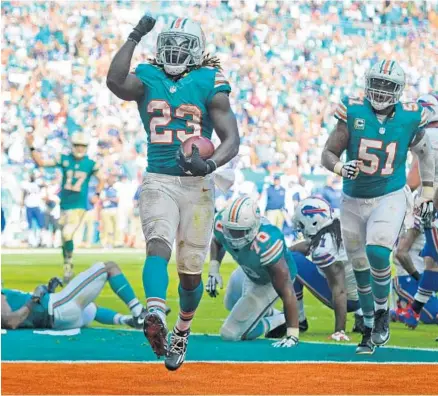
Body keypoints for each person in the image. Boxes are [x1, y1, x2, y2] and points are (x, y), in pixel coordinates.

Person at [106, 16, 240, 371]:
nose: (174, 51)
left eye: (183, 45)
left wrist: (209, 167)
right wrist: (135, 35)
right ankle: (154, 311)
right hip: (159, 178)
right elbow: (115, 80)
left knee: (190, 273)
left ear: (196, 50)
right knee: (157, 244)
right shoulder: (149, 76)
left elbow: (232, 139)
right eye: (170, 43)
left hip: (197, 186)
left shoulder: (209, 80)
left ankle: (182, 328)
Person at [321, 60, 434, 354]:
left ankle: (383, 312)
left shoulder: (410, 117)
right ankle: (369, 325)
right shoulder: (353, 111)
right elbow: (328, 153)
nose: (382, 90)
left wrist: (429, 190)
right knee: (359, 266)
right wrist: (339, 168)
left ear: (398, 89)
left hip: (389, 194)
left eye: (388, 85)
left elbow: (425, 153)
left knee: (378, 251)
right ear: (367, 82)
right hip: (353, 198)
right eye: (378, 83)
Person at [206, 196, 300, 346]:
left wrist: (293, 334)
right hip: (248, 270)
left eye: (239, 232)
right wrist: (213, 269)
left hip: (268, 281)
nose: (232, 237)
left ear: (253, 228)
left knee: (230, 334)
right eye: (229, 230)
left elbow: (286, 289)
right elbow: (217, 241)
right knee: (230, 303)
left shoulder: (267, 241)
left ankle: (277, 320)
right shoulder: (222, 222)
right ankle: (267, 312)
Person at [26, 132, 105, 283]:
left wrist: (97, 194)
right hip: (64, 205)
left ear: (86, 147)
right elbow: (41, 162)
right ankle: (68, 262)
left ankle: (68, 264)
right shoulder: (64, 158)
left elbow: (102, 179)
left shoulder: (90, 163)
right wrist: (31, 146)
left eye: (82, 146)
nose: (80, 149)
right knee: (64, 238)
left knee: (68, 234)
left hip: (78, 206)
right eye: (77, 145)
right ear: (72, 145)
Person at [290, 197, 364, 342]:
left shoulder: (324, 250)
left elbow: (340, 290)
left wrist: (339, 330)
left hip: (350, 300)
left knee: (290, 260)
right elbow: (308, 246)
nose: (299, 227)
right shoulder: (337, 225)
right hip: (367, 296)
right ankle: (363, 316)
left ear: (313, 222)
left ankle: (299, 319)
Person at [1, 261, 144, 330]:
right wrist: (34, 299)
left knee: (90, 308)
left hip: (58, 316)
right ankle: (138, 312)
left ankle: (127, 320)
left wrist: (47, 291)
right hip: (57, 310)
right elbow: (11, 321)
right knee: (109, 267)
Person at [396, 94, 438, 328]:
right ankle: (412, 309)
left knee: (433, 261)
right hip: (432, 205)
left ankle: (412, 309)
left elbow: (413, 178)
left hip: (430, 204)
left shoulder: (425, 135)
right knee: (432, 261)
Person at [21, 173, 45, 247]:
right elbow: (24, 193)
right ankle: (31, 241)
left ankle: (41, 241)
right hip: (29, 206)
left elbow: (44, 185)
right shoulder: (26, 184)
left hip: (37, 205)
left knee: (41, 225)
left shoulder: (38, 183)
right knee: (30, 225)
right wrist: (22, 202)